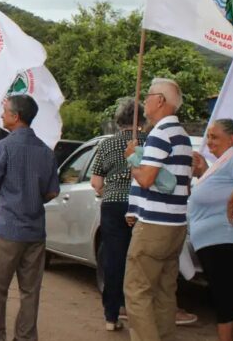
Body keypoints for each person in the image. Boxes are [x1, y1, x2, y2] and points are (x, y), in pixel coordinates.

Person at [0, 95, 59, 341]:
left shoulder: (3, 147)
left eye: (4, 111)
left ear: (15, 117)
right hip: (35, 230)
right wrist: (33, 200)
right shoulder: (46, 151)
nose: (2, 115)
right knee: (30, 291)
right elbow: (53, 191)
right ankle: (25, 337)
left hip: (8, 229)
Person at [124, 78, 193, 341]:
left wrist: (132, 156)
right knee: (165, 292)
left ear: (160, 101)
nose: (145, 103)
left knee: (137, 291)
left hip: (154, 226)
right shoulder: (182, 136)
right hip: (175, 225)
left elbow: (146, 179)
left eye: (149, 96)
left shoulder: (160, 134)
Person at [89, 97, 147, 331]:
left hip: (112, 206)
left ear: (118, 120)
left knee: (114, 259)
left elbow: (95, 182)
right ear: (142, 118)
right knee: (140, 260)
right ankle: (140, 315)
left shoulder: (107, 145)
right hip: (142, 205)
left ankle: (111, 316)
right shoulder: (149, 141)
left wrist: (109, 191)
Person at [188, 119, 233, 341]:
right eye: (208, 136)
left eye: (214, 136)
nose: (209, 141)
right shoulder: (225, 159)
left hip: (225, 239)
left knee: (225, 299)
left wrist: (232, 203)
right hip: (221, 240)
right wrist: (204, 170)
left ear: (231, 139)